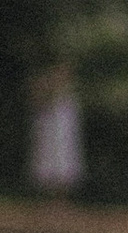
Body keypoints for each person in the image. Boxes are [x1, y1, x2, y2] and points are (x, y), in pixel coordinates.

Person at [27, 62, 86, 202]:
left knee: (64, 164)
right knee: (47, 163)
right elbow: (37, 105)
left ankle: (61, 200)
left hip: (64, 137)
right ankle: (48, 200)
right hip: (50, 135)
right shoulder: (47, 92)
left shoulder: (70, 95)